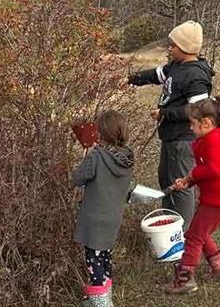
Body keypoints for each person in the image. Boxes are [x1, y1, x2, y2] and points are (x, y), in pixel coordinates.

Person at [128, 20, 214, 230]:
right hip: (170, 136)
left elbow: (197, 110)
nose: (169, 48)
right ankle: (169, 221)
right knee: (166, 179)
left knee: (181, 184)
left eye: (173, 45)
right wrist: (130, 79)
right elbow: (157, 74)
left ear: (185, 48)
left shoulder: (196, 75)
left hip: (183, 138)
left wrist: (164, 113)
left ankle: (181, 234)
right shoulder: (177, 66)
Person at [163, 97, 220, 294]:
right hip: (218, 199)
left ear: (207, 123)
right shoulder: (211, 138)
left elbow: (214, 169)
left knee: (194, 236)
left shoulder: (217, 140)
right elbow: (206, 169)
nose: (190, 128)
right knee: (200, 231)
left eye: (193, 124)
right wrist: (188, 181)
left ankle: (185, 280)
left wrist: (192, 176)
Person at [71, 111, 135, 307]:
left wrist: (87, 155)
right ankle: (102, 299)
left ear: (100, 132)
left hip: (94, 219)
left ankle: (102, 303)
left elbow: (77, 178)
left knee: (93, 262)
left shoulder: (97, 157)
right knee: (104, 258)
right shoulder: (127, 159)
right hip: (113, 218)